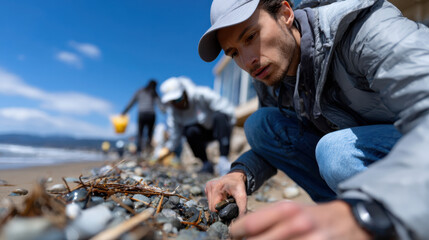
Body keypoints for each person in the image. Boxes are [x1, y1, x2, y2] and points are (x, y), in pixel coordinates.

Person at [198, 0, 429, 239]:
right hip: (369, 161)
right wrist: (240, 173)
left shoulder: (364, 30)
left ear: (286, 13)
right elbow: (280, 145)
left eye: (250, 37)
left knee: (336, 153)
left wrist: (369, 214)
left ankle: (383, 220)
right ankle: (337, 221)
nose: (247, 62)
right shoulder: (269, 74)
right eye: (234, 53)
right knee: (261, 125)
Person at [158, 76, 235, 176]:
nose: (178, 104)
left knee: (220, 115)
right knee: (189, 131)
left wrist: (228, 130)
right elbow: (175, 134)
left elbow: (227, 109)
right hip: (200, 134)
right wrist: (167, 149)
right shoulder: (174, 113)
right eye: (173, 102)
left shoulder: (201, 94)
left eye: (178, 99)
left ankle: (223, 161)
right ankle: (206, 164)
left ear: (184, 92)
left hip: (217, 129)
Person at [121, 79, 162, 155]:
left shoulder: (140, 91)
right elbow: (161, 105)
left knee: (140, 133)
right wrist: (165, 110)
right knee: (149, 134)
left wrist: (124, 112)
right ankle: (147, 151)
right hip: (151, 115)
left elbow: (132, 102)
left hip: (142, 114)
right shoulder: (154, 93)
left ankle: (140, 151)